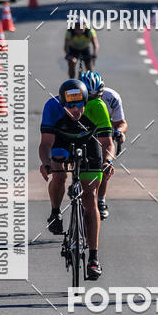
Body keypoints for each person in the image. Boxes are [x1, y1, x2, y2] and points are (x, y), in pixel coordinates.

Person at [39, 79, 114, 279]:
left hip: (89, 145)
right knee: (59, 175)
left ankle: (94, 258)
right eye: (69, 106)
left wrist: (107, 161)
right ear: (62, 103)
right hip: (61, 143)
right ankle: (55, 212)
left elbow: (107, 142)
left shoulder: (97, 107)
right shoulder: (52, 107)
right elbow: (45, 144)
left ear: (86, 101)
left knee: (90, 198)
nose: (74, 110)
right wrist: (47, 163)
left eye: (79, 104)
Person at [79, 71, 129, 220]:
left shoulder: (112, 97)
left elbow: (121, 123)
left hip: (102, 132)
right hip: (80, 132)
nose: (93, 100)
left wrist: (119, 132)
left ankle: (100, 199)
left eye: (97, 96)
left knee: (103, 165)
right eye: (89, 97)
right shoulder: (74, 96)